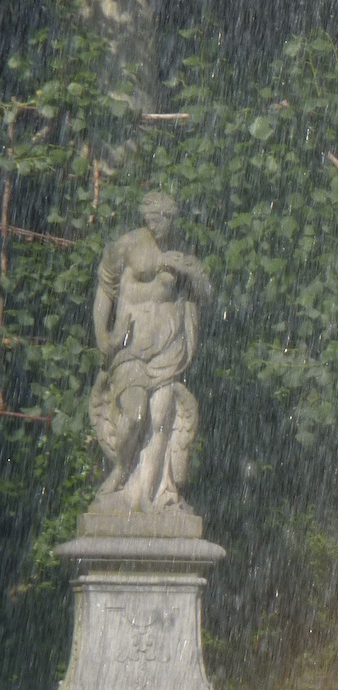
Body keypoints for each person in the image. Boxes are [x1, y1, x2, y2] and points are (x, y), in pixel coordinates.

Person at [89, 192, 213, 513]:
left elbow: (205, 293)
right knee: (134, 414)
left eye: (163, 219)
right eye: (152, 219)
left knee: (161, 420)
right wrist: (103, 335)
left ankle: (149, 493)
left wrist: (189, 271)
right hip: (131, 348)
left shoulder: (182, 251)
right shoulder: (127, 246)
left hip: (168, 351)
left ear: (172, 219)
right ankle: (121, 471)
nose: (157, 225)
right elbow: (105, 289)